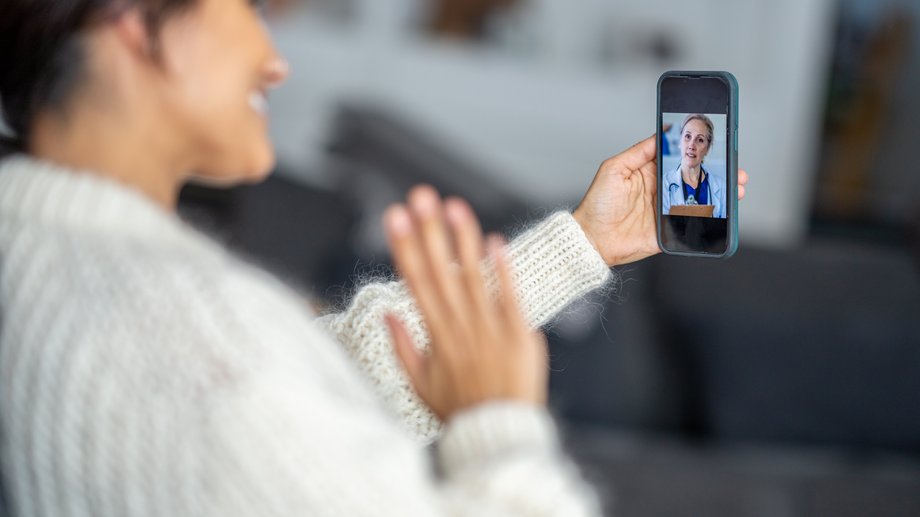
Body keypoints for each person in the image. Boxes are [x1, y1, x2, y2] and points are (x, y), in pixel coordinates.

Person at [0, 1, 747, 516]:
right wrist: (500, 423)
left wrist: (582, 241)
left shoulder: (34, 245)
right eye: (250, 9)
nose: (274, 62)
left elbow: (324, 378)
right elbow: (253, 388)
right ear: (134, 23)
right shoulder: (190, 327)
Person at [662, 113, 726, 218]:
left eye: (700, 140)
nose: (691, 145)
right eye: (687, 136)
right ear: (680, 141)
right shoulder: (664, 185)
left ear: (707, 149)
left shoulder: (721, 187)